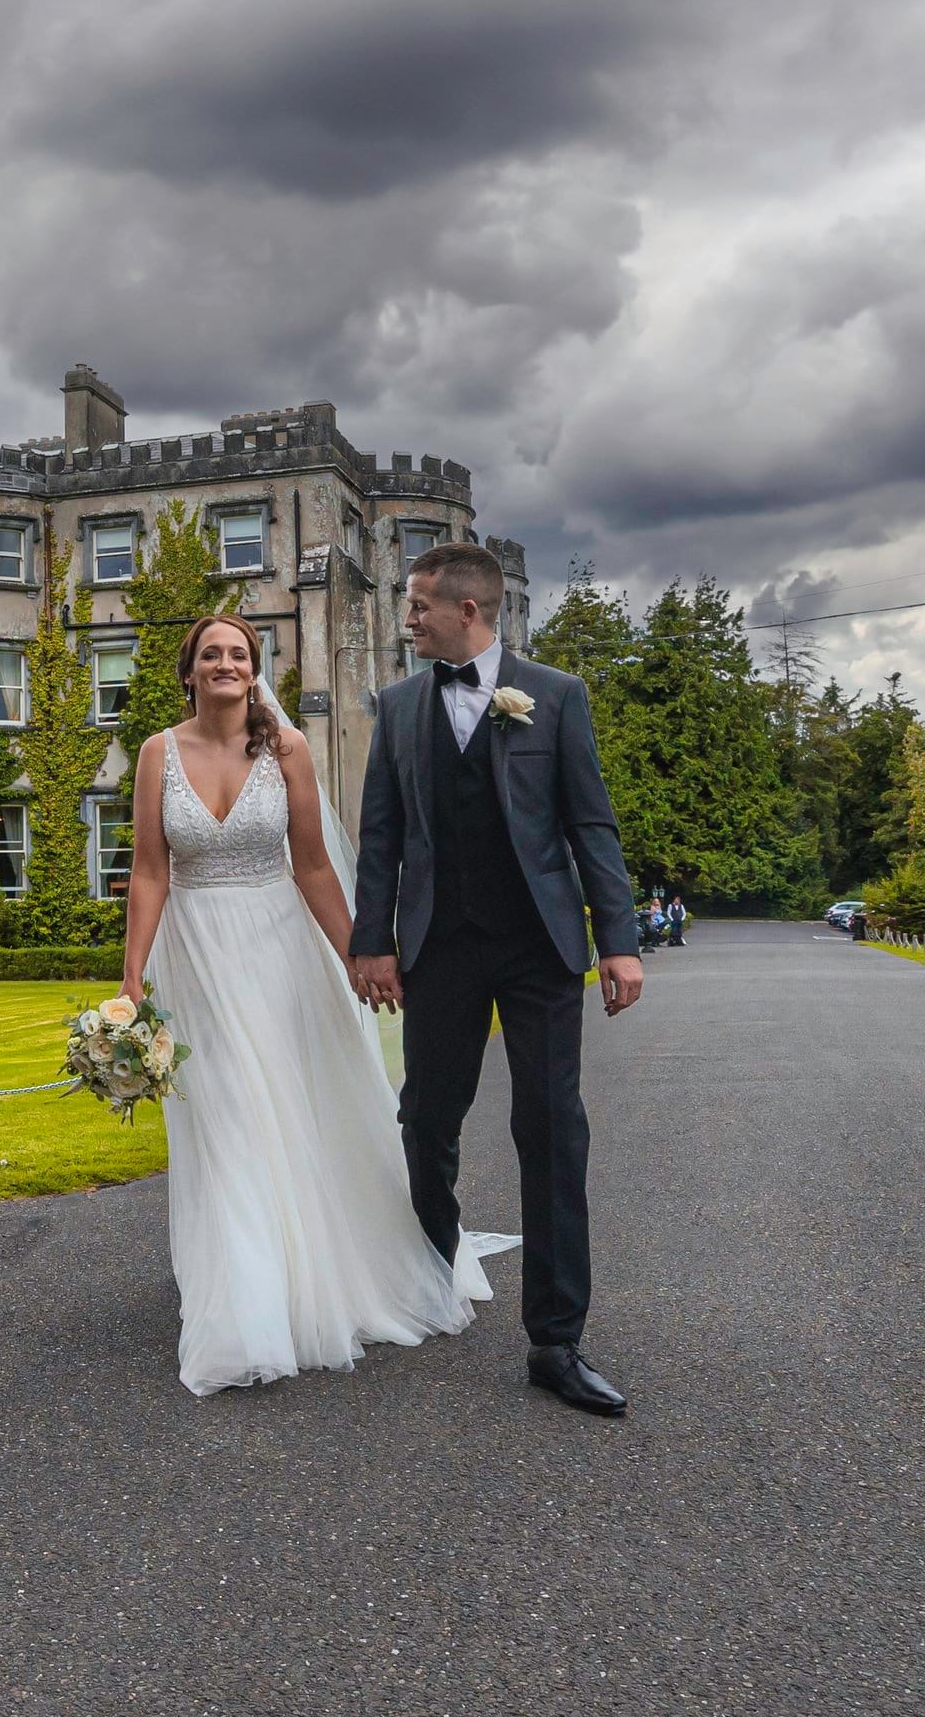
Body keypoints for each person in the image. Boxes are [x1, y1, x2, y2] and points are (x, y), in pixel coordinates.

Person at [118, 615, 517, 1396]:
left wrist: (359, 955)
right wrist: (132, 979)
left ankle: (305, 1275)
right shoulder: (157, 753)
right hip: (197, 958)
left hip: (280, 951)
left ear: (254, 669)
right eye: (211, 654)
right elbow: (149, 872)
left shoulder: (288, 749)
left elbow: (313, 869)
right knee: (226, 1114)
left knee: (289, 1106)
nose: (226, 663)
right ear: (189, 673)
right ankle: (247, 1303)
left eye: (239, 653)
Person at [350, 542, 643, 1417]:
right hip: (438, 947)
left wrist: (618, 940)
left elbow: (591, 824)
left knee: (551, 1128)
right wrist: (372, 943)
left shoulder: (556, 694)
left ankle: (556, 1339)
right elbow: (380, 836)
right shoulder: (398, 706)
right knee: (426, 1119)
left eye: (417, 605)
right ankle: (434, 1273)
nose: (407, 620)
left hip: (538, 948)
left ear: (467, 611)